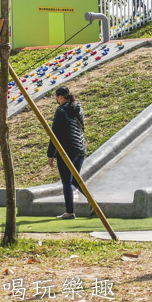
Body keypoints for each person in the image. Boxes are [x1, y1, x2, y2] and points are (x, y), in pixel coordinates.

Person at [47, 86, 86, 220]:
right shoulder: (79, 109)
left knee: (66, 181)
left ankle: (69, 212)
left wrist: (50, 154)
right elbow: (82, 128)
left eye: (56, 97)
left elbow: (54, 133)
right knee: (76, 179)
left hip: (67, 150)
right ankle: (93, 202)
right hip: (80, 149)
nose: (56, 100)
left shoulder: (60, 111)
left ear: (61, 97)